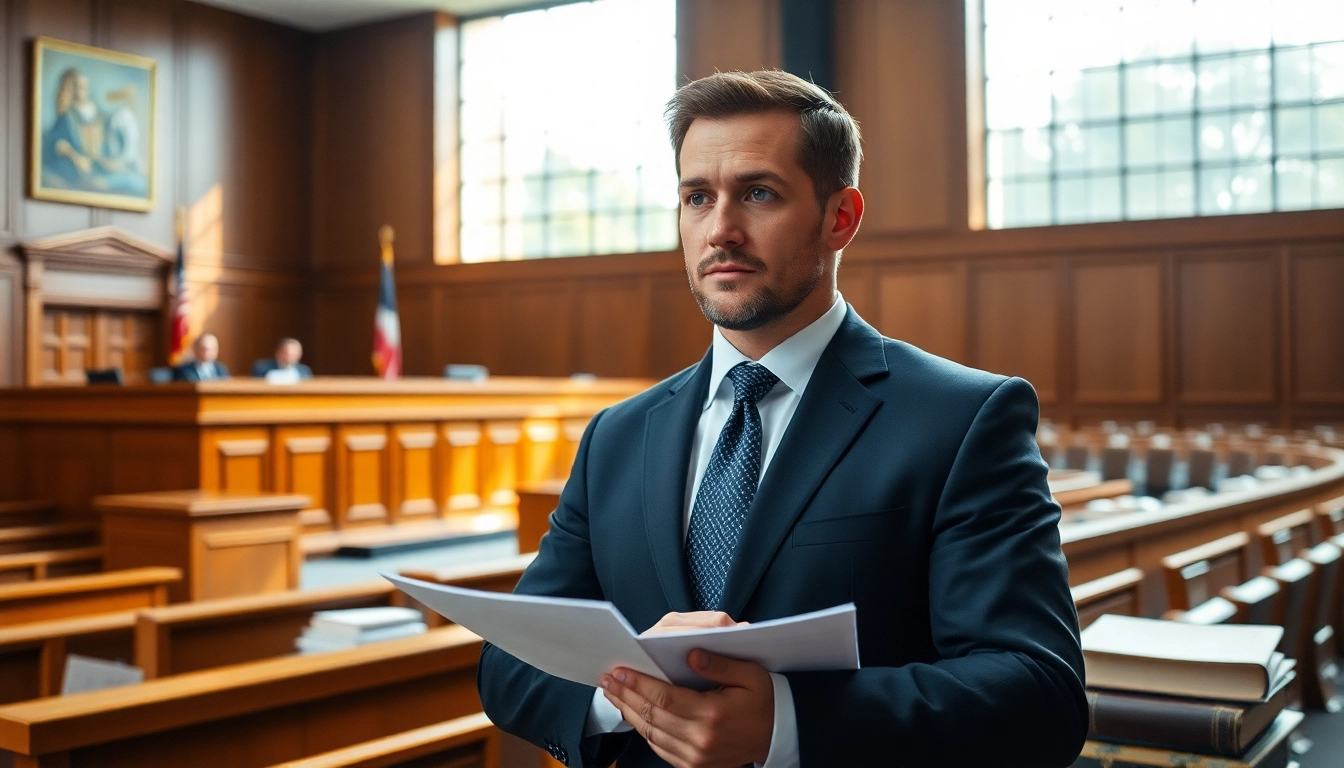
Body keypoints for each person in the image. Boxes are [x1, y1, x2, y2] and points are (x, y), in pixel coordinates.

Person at [478, 71, 1086, 768]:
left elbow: (1041, 696)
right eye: (697, 197)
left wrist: (788, 724)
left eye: (759, 193)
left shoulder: (964, 417)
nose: (721, 229)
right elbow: (507, 664)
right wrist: (628, 696)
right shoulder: (618, 435)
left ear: (841, 219)